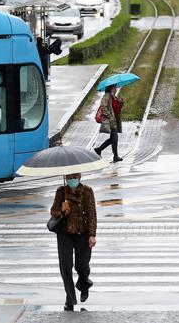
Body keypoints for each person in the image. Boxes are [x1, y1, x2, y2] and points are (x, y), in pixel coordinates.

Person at [50, 173, 97, 311]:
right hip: (65, 233)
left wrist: (92, 234)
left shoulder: (87, 191)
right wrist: (61, 210)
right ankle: (70, 299)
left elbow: (92, 213)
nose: (71, 181)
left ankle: (84, 285)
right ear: (66, 179)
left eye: (74, 178)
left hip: (83, 233)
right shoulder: (61, 191)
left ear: (79, 178)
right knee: (65, 265)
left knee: (81, 265)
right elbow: (53, 211)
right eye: (69, 178)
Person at [94, 85, 123, 162]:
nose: (116, 89)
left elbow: (116, 107)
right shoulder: (107, 96)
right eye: (114, 87)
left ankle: (99, 149)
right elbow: (103, 106)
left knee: (112, 139)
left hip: (115, 120)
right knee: (115, 138)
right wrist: (109, 116)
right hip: (111, 121)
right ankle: (115, 156)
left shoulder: (113, 96)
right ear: (111, 88)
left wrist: (121, 103)